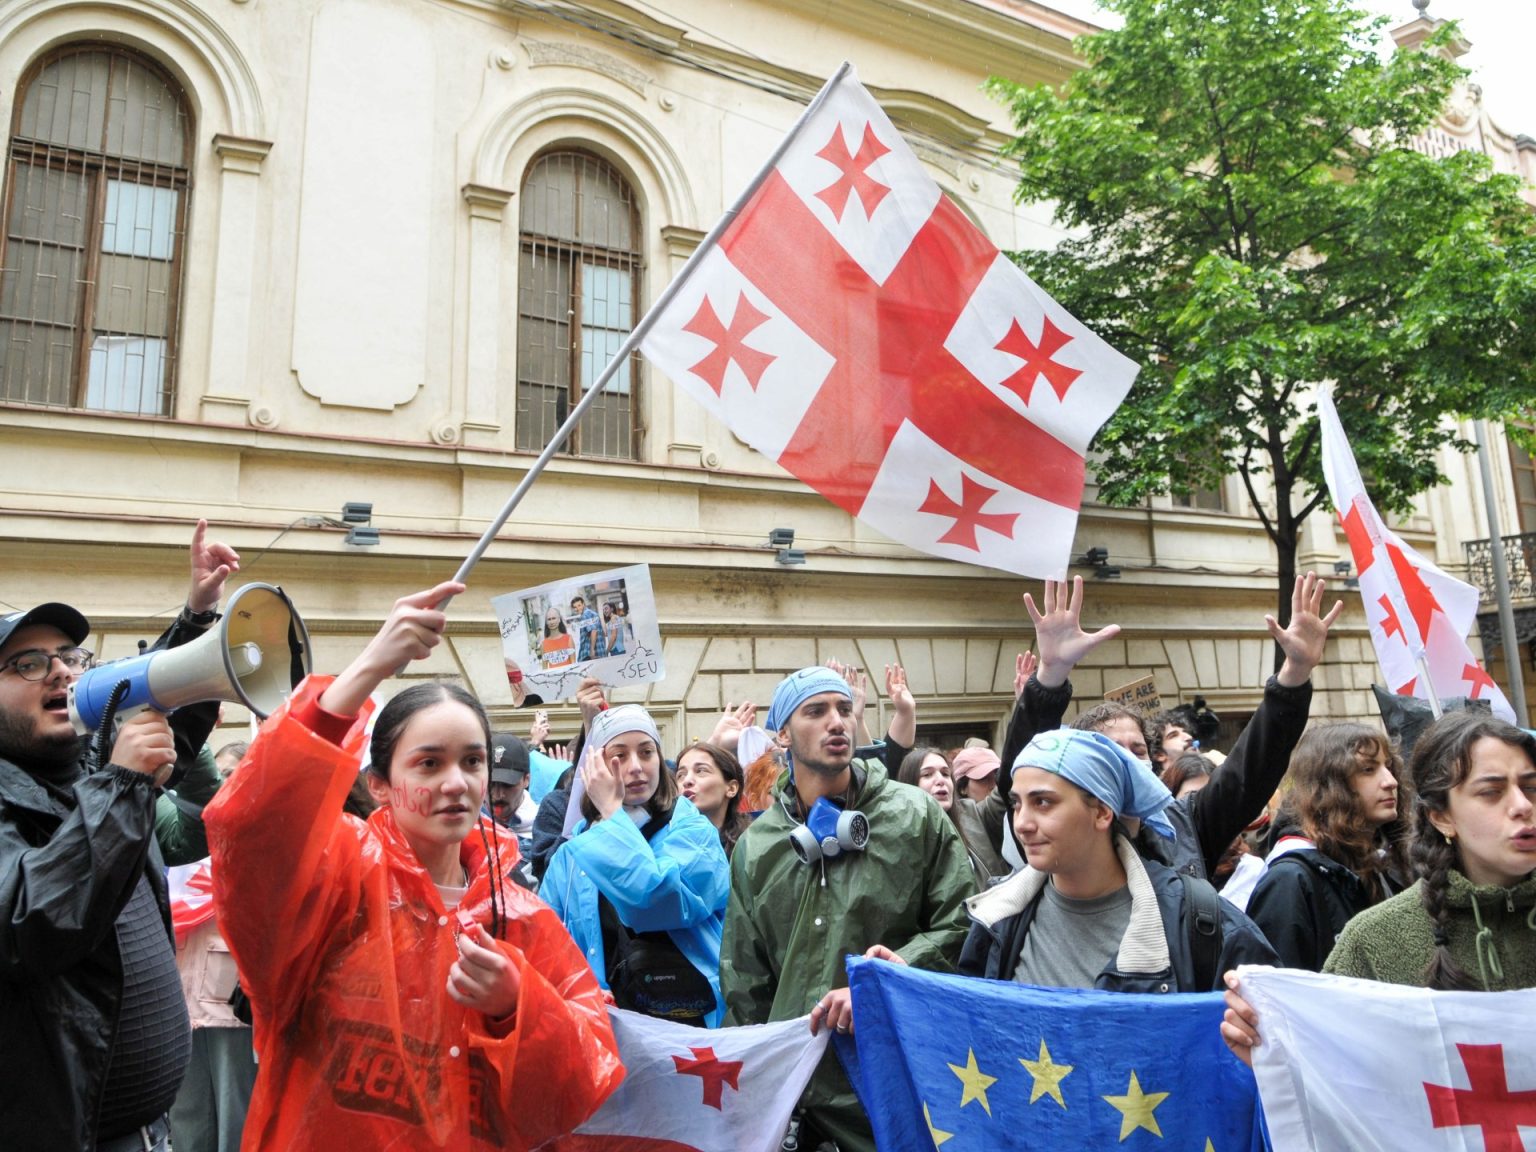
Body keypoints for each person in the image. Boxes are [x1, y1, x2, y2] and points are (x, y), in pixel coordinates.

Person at [203, 582, 622, 1150]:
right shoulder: (338, 877)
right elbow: (253, 831)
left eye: (472, 761)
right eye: (428, 763)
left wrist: (517, 1006)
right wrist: (368, 667)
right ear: (379, 784)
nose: (456, 783)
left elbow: (583, 1080)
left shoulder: (519, 915)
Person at [722, 667, 974, 1152]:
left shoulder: (915, 814)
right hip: (799, 1094)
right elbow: (745, 983)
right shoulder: (757, 847)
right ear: (782, 734)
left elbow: (962, 926)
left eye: (843, 709)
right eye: (815, 712)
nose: (836, 722)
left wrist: (884, 979)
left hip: (897, 1082)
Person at [1222, 711, 1536, 1067]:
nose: (1390, 782)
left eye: (1531, 786)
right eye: (1491, 791)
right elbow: (1327, 1054)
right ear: (1441, 816)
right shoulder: (1318, 898)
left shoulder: (1390, 867)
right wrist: (1275, 1048)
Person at [999, 573, 1339, 881]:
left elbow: (1248, 774)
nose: (1130, 759)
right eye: (1114, 750)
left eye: (1138, 749)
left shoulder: (1187, 826)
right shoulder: (1058, 833)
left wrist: (1295, 673)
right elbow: (1027, 772)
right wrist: (1051, 674)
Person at [958, 729, 1277, 990]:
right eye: (1017, 804)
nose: (1022, 824)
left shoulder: (1196, 920)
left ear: (1101, 812)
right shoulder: (996, 916)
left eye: (1043, 802)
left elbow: (1276, 1029)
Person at [542, 705, 730, 1027]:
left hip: (690, 1029)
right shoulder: (570, 855)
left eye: (646, 752)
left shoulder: (693, 831)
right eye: (620, 755)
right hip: (604, 1028)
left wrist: (611, 812)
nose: (636, 767)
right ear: (595, 767)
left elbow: (654, 900)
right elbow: (547, 945)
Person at [1243, 724, 1409, 971]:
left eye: (1389, 766)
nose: (1390, 781)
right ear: (1328, 785)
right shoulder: (1289, 880)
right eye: (1368, 769)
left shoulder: (1383, 864)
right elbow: (1280, 987)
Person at [898, 746, 1010, 892]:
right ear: (909, 785)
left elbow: (1007, 782)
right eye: (927, 775)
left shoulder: (974, 814)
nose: (940, 780)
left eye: (946, 774)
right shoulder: (899, 841)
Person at [675, 740, 752, 857]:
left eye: (701, 771)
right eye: (681, 775)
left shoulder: (753, 846)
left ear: (731, 788)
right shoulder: (663, 841)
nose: (687, 781)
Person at [570, 595, 606, 662]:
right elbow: (602, 633)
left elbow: (593, 631)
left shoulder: (585, 615)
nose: (577, 608)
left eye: (579, 605)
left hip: (590, 654)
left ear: (583, 604)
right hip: (600, 651)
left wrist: (592, 650)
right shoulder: (593, 613)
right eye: (575, 607)